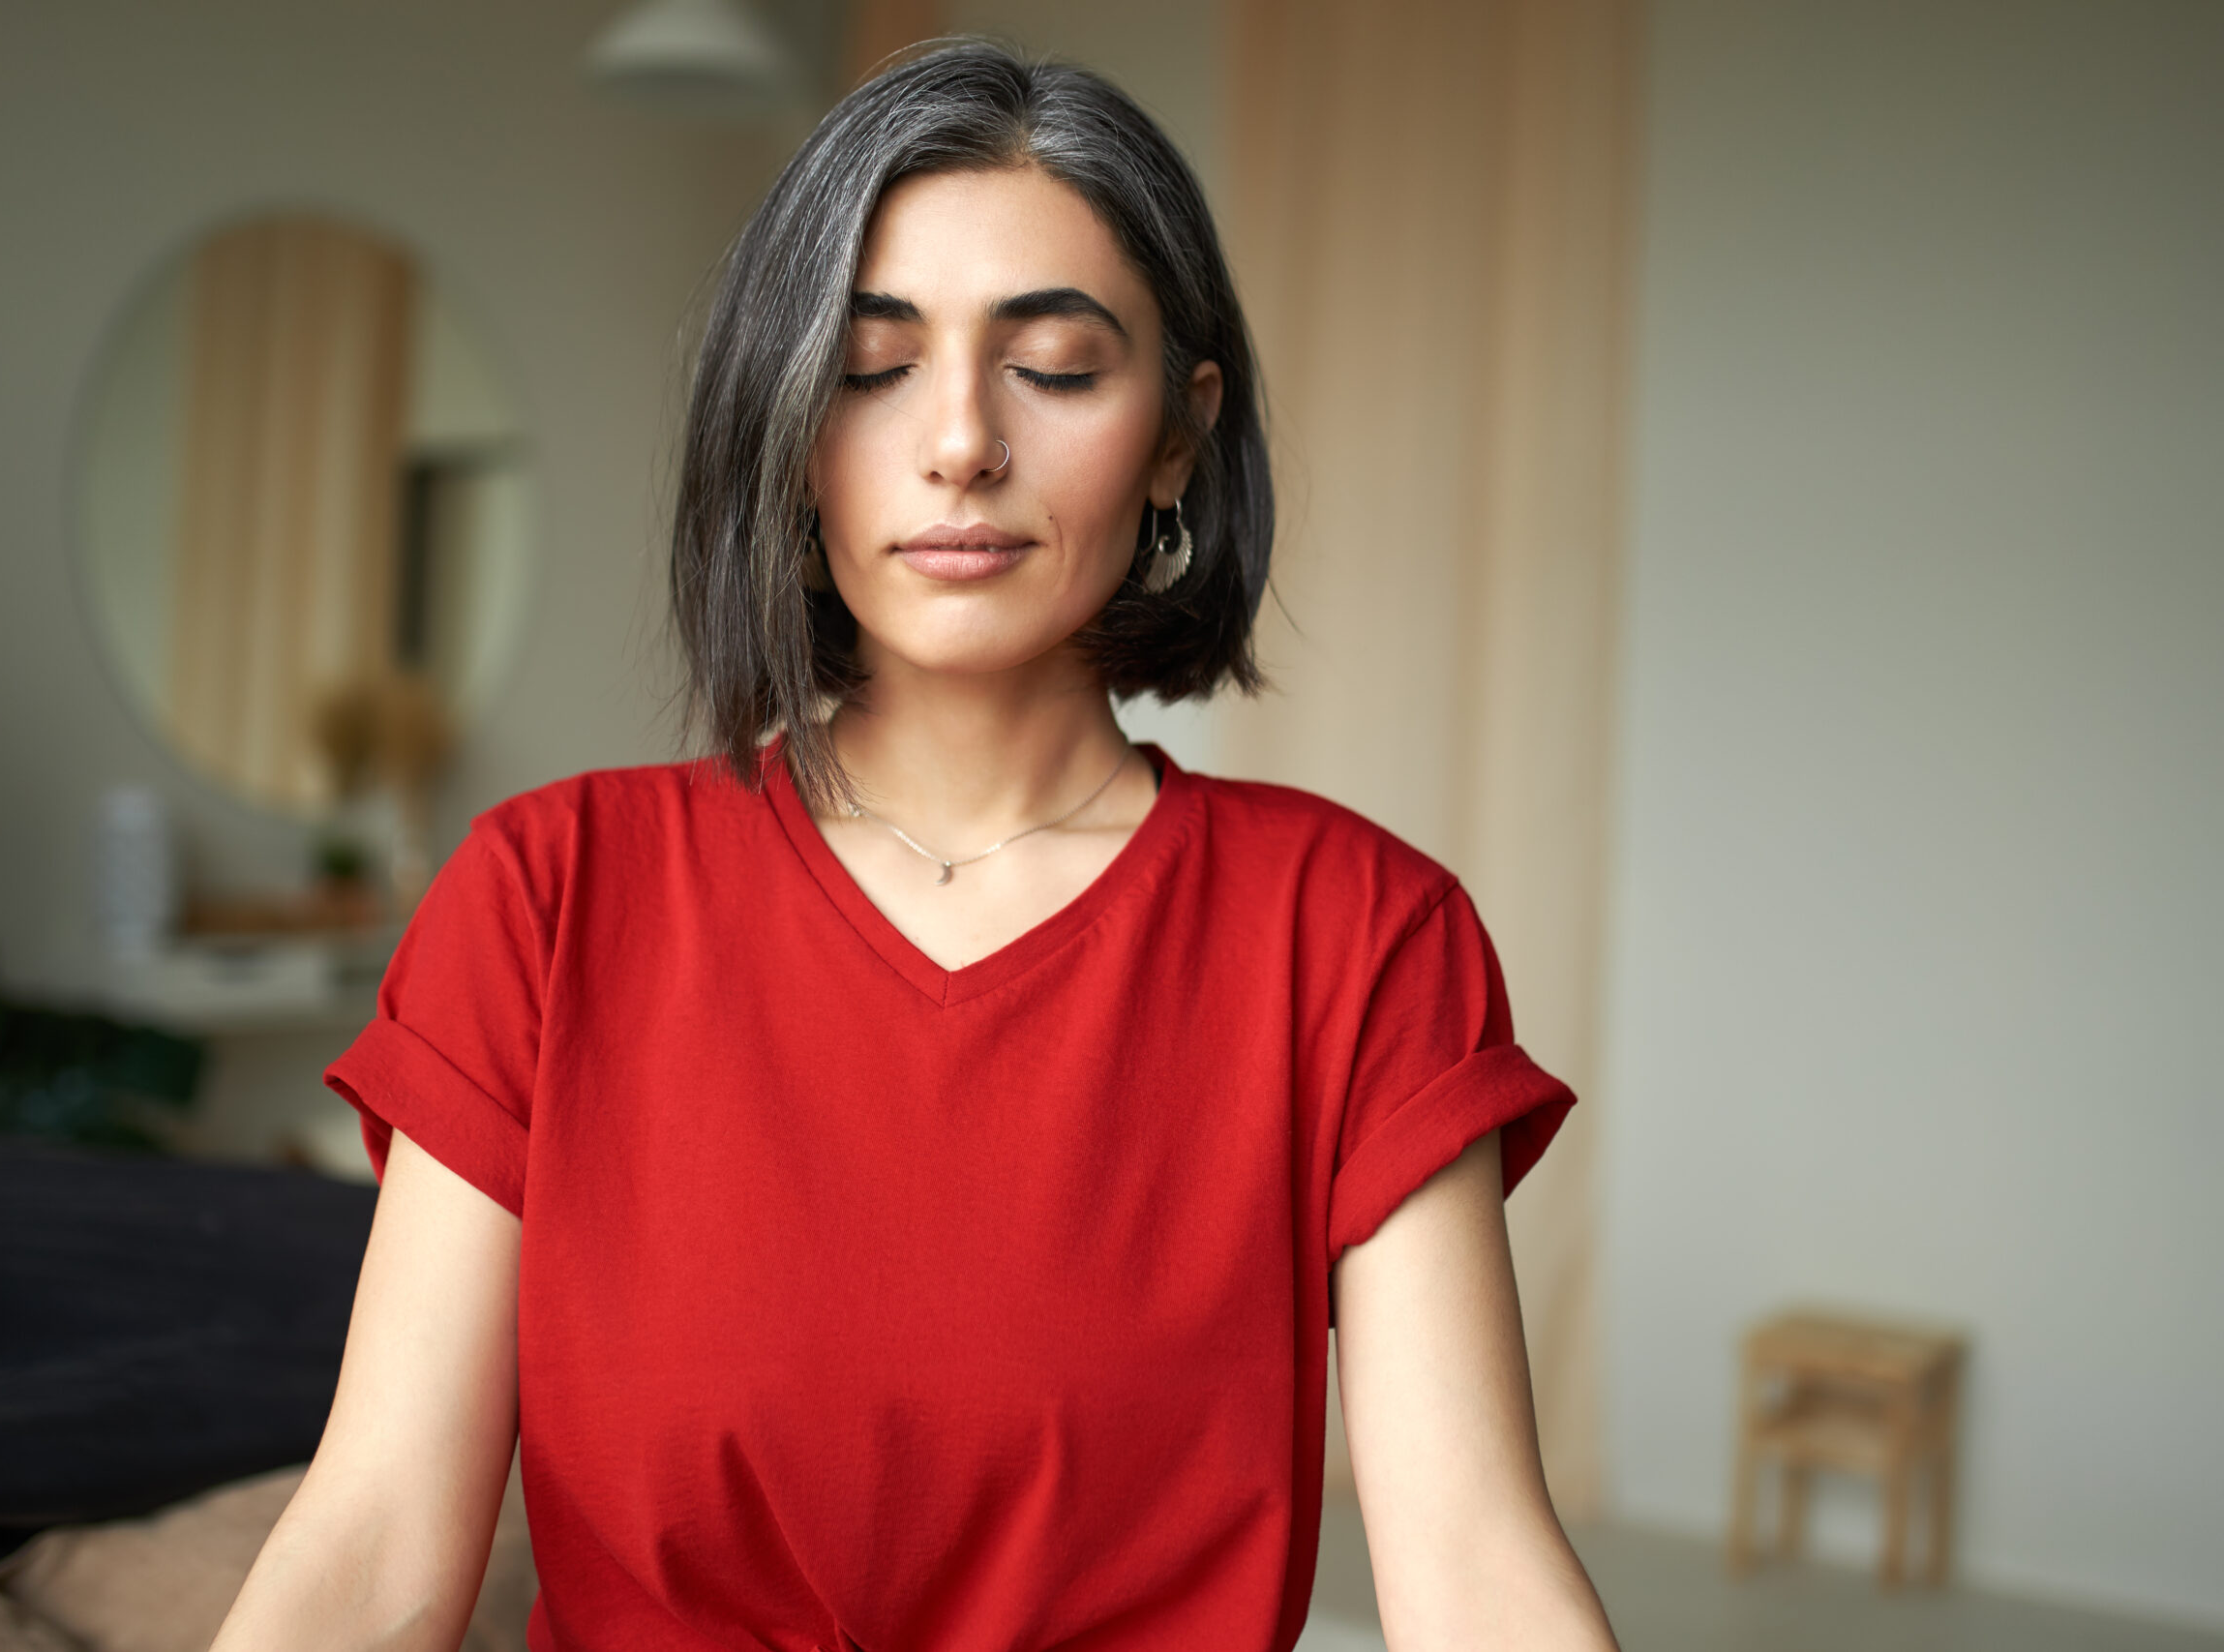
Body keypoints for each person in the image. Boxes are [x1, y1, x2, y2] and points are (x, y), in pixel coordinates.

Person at [212, 41, 1619, 1652]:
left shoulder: (1360, 932)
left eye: (1061, 368)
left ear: (1178, 433)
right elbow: (379, 1536)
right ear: (786, 433)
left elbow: (1475, 1571)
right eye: (872, 368)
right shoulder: (548, 896)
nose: (959, 443)